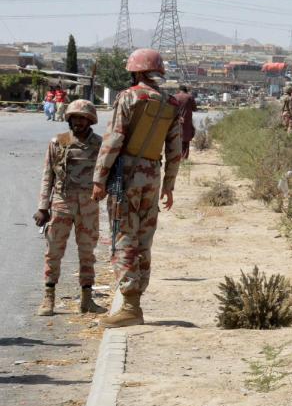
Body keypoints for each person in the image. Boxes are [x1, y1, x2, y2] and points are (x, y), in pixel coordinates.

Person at [91, 48, 183, 327]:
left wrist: (99, 178)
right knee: (144, 239)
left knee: (123, 235)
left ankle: (130, 305)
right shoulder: (170, 102)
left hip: (125, 176)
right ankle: (135, 302)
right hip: (152, 176)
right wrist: (169, 185)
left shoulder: (128, 97)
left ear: (136, 71)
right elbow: (175, 149)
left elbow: (114, 140)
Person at [33, 99, 107, 316]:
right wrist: (43, 207)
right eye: (75, 117)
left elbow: (107, 176)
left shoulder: (100, 145)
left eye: (83, 118)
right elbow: (48, 176)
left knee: (87, 253)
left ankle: (87, 299)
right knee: (53, 251)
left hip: (89, 206)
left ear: (90, 120)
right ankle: (48, 298)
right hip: (62, 204)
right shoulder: (58, 142)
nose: (79, 122)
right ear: (69, 119)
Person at [173, 85, 198, 159]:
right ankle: (184, 158)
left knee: (176, 140)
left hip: (176, 121)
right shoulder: (190, 97)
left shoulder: (175, 97)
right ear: (186, 90)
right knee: (186, 140)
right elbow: (195, 109)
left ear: (179, 90)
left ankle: (176, 157)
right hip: (187, 122)